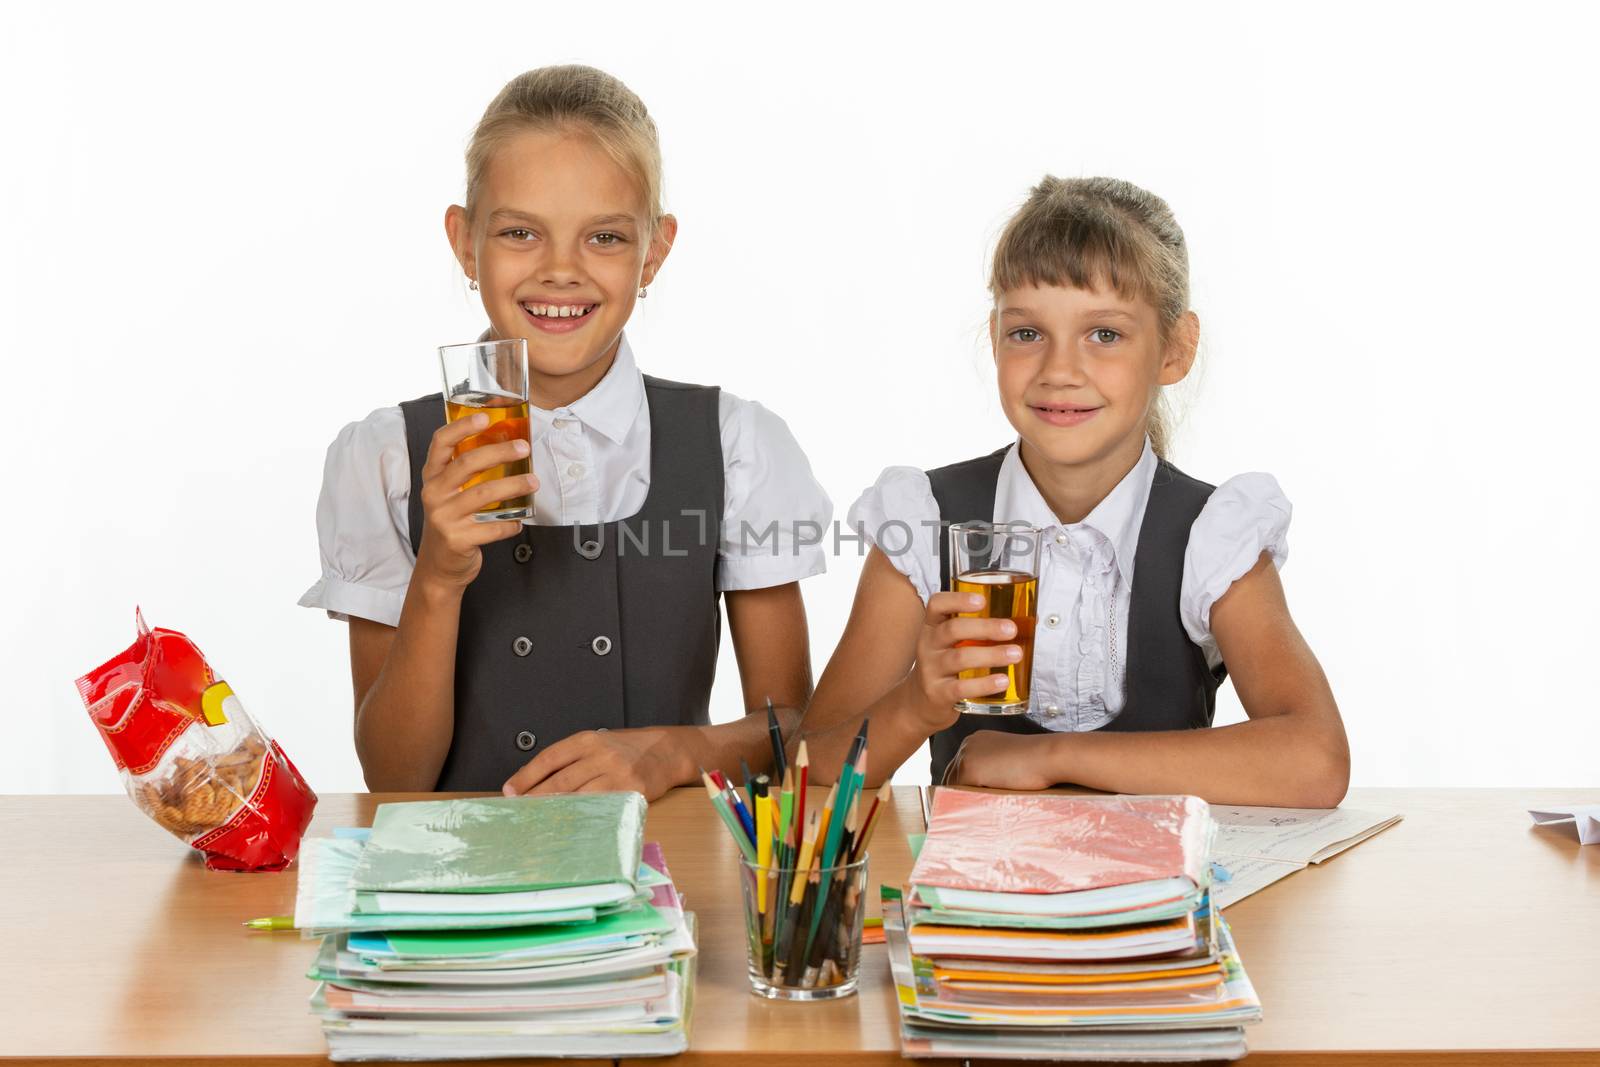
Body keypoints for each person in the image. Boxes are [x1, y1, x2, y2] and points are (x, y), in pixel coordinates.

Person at [300, 66, 830, 797]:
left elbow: (794, 730)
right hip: (468, 892)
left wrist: (673, 753)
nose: (559, 270)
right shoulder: (388, 457)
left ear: (654, 252)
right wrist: (438, 576)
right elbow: (394, 776)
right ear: (464, 242)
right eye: (520, 232)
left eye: (604, 237)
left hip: (661, 883)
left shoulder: (733, 445)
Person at [802, 176, 1348, 808]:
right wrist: (914, 705)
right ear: (995, 337)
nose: (1060, 370)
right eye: (1028, 333)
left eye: (1105, 335)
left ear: (1175, 349)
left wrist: (1051, 756)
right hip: (971, 898)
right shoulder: (928, 522)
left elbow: (1316, 761)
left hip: (1149, 898)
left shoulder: (1208, 533)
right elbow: (809, 769)